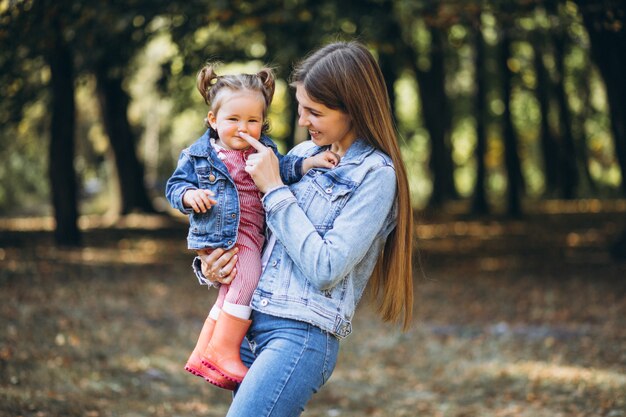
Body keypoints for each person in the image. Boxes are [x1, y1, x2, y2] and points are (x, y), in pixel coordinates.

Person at [195, 40, 415, 416]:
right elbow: (249, 233)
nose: (302, 122)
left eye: (314, 112)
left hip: (300, 336)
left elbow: (326, 267)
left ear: (353, 109)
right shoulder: (298, 157)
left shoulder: (376, 176)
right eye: (300, 109)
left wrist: (275, 189)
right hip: (251, 327)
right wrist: (209, 267)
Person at [165, 64, 339, 390]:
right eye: (233, 120)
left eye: (253, 121)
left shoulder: (263, 150)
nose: (243, 128)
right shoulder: (199, 155)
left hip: (250, 232)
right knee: (247, 277)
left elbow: (284, 168)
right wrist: (190, 195)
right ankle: (225, 349)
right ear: (213, 120)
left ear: (263, 122)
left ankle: (205, 350)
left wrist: (312, 161)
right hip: (226, 233)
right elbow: (174, 188)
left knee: (229, 292)